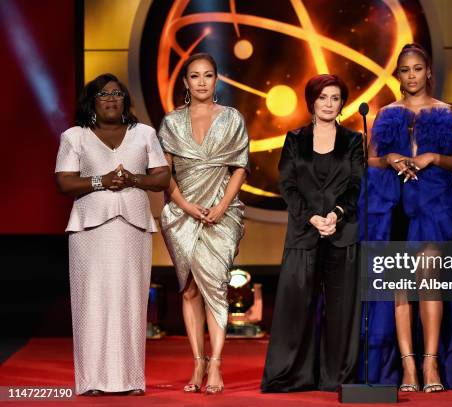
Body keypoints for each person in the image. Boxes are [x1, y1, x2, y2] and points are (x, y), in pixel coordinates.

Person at [55, 73, 170, 396]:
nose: (111, 98)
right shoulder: (74, 136)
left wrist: (134, 179)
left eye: (117, 93)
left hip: (132, 225)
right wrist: (100, 181)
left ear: (125, 100)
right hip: (89, 228)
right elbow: (64, 182)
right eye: (103, 94)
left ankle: (131, 379)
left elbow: (161, 177)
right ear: (91, 101)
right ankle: (91, 380)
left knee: (131, 300)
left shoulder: (144, 134)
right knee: (91, 300)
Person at [363, 43, 452, 392]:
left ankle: (431, 364)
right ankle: (408, 368)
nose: (411, 75)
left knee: (429, 280)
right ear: (398, 75)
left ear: (428, 72)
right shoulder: (387, 113)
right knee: (401, 288)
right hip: (393, 206)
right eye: (405, 69)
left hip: (434, 208)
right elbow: (371, 160)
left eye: (417, 68)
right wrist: (391, 157)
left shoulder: (447, 113)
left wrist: (434, 157)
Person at [261, 74, 364, 392]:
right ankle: (293, 374)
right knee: (297, 304)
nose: (329, 104)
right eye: (323, 97)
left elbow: (356, 185)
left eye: (335, 98)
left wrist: (335, 215)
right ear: (312, 102)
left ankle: (334, 376)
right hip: (304, 233)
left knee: (340, 308)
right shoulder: (295, 139)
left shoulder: (353, 140)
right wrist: (312, 218)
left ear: (342, 103)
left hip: (342, 231)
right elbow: (287, 185)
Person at [158, 53, 249, 395]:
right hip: (181, 214)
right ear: (185, 82)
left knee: (215, 287)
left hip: (222, 215)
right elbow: (164, 173)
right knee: (190, 288)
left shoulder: (232, 119)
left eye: (207, 75)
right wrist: (185, 205)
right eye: (194, 76)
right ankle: (198, 360)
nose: (200, 81)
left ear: (216, 80)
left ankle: (216, 364)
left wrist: (221, 206)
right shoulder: (170, 123)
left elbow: (240, 166)